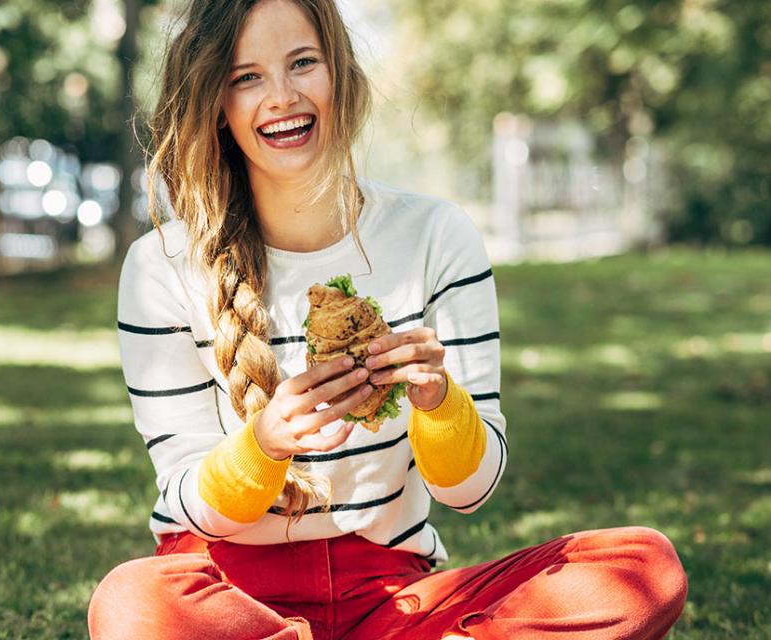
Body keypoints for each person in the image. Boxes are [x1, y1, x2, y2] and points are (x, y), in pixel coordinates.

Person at [88, 0, 688, 638]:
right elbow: (186, 498)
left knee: (639, 567)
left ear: (340, 73)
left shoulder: (437, 235)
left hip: (392, 601)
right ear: (216, 101)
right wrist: (265, 445)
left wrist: (438, 401)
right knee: (131, 601)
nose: (283, 97)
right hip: (230, 597)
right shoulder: (163, 265)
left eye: (303, 63)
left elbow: (471, 490)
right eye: (247, 77)